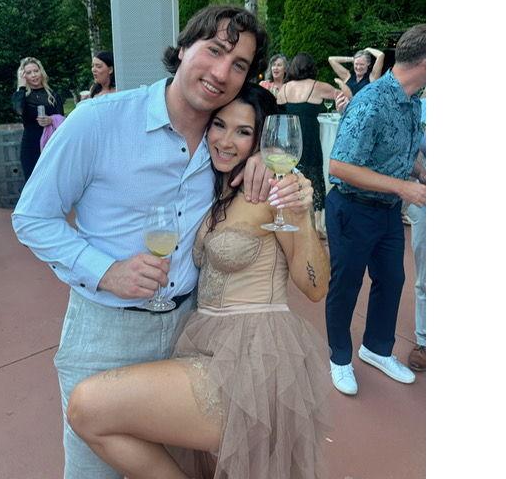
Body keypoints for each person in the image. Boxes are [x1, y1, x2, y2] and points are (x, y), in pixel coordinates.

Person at [12, 5, 297, 479]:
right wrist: (106, 270)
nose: (221, 72)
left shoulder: (223, 141)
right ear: (183, 48)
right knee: (94, 471)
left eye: (239, 64)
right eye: (214, 50)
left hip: (190, 332)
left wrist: (261, 158)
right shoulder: (99, 121)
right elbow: (32, 217)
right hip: (107, 330)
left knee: (177, 462)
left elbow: (260, 145)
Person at [66, 83, 331, 479]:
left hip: (253, 357)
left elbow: (315, 288)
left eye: (243, 132)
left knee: (89, 406)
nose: (225, 141)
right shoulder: (214, 187)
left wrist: (302, 215)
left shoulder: (273, 192)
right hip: (205, 341)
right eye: (219, 125)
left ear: (260, 140)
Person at [324, 24, 426, 396]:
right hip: (352, 208)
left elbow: (401, 149)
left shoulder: (412, 101)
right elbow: (339, 166)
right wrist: (403, 187)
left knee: (392, 280)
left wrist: (422, 173)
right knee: (347, 284)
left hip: (385, 210)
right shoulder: (372, 100)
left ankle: (376, 349)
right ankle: (339, 357)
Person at [277, 52, 338, 229]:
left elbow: (278, 114)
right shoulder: (317, 86)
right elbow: (345, 94)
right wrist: (344, 80)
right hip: (310, 139)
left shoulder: (284, 88)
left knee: (289, 180)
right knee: (315, 180)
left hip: (289, 141)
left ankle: (290, 220)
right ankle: (316, 225)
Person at [11, 56, 64, 181]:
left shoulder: (53, 95)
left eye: (36, 71)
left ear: (41, 72)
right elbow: (18, 110)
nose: (34, 75)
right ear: (24, 76)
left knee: (53, 180)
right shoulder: (21, 96)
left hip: (52, 144)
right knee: (33, 182)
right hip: (31, 146)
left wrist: (51, 120)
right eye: (29, 73)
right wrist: (21, 86)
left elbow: (62, 121)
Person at [407, 94, 426, 371]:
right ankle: (425, 339)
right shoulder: (419, 104)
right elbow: (406, 146)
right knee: (426, 273)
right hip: (427, 193)